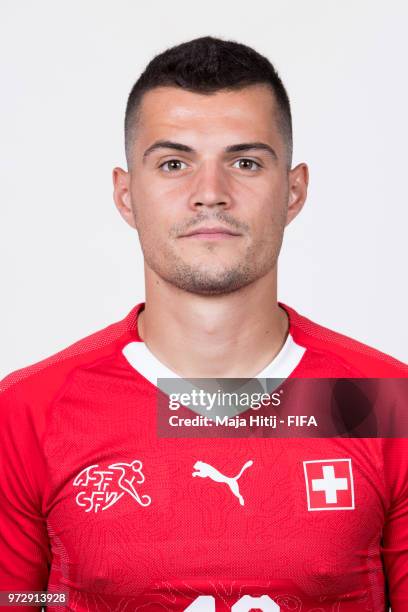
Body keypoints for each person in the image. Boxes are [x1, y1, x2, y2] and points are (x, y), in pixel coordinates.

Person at [0, 36, 407, 612]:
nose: (210, 194)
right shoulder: (26, 412)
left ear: (293, 192)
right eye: (174, 164)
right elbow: (14, 599)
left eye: (245, 162)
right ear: (126, 195)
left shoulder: (385, 400)